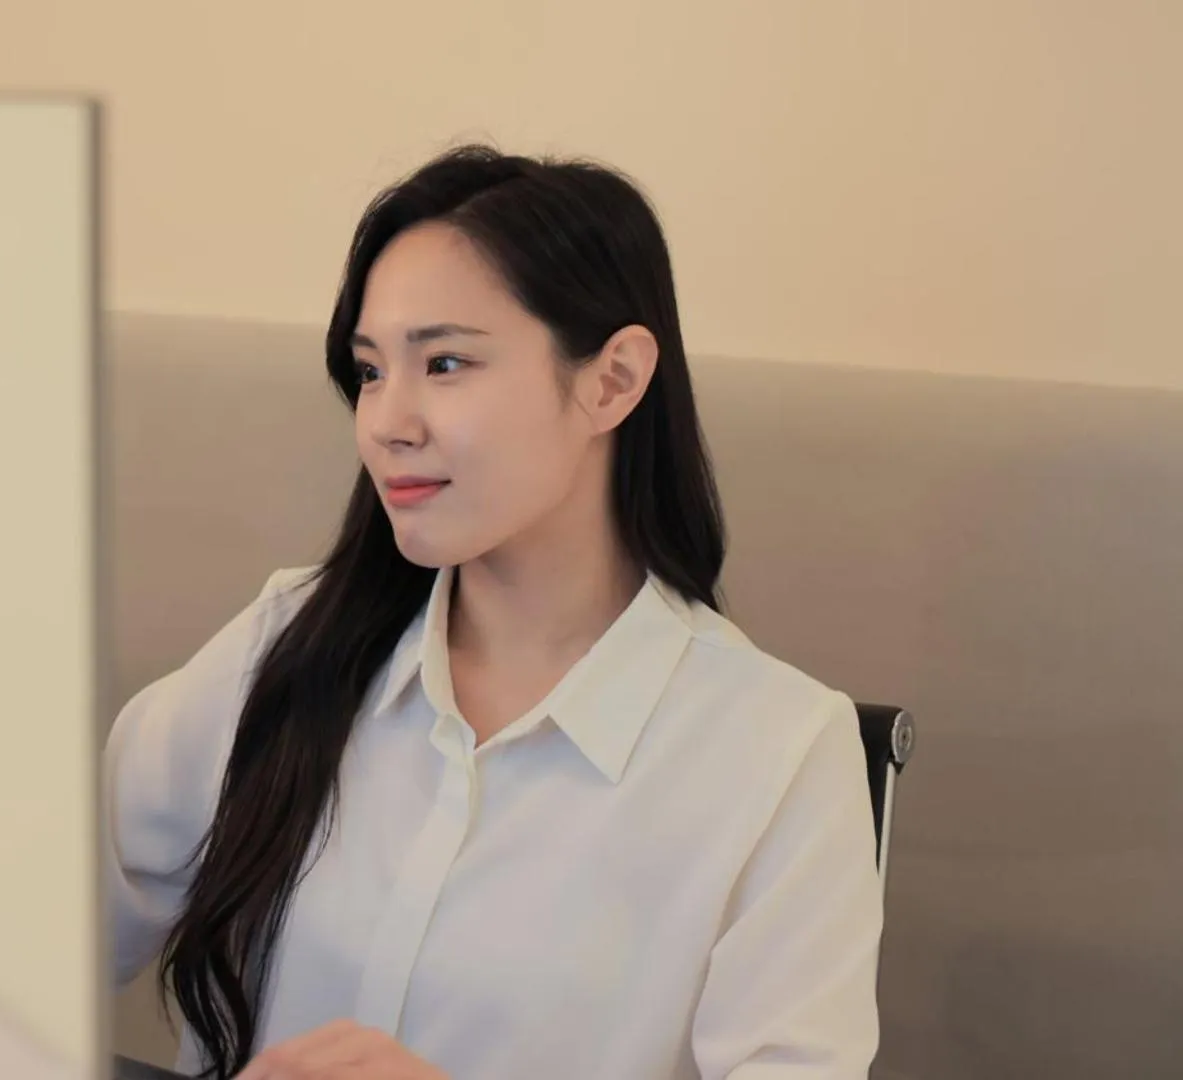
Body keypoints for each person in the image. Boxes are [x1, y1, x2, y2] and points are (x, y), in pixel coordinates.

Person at [104, 146, 884, 1080]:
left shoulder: (778, 753)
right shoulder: (284, 644)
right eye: (367, 371)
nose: (387, 420)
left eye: (443, 363)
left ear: (611, 380)